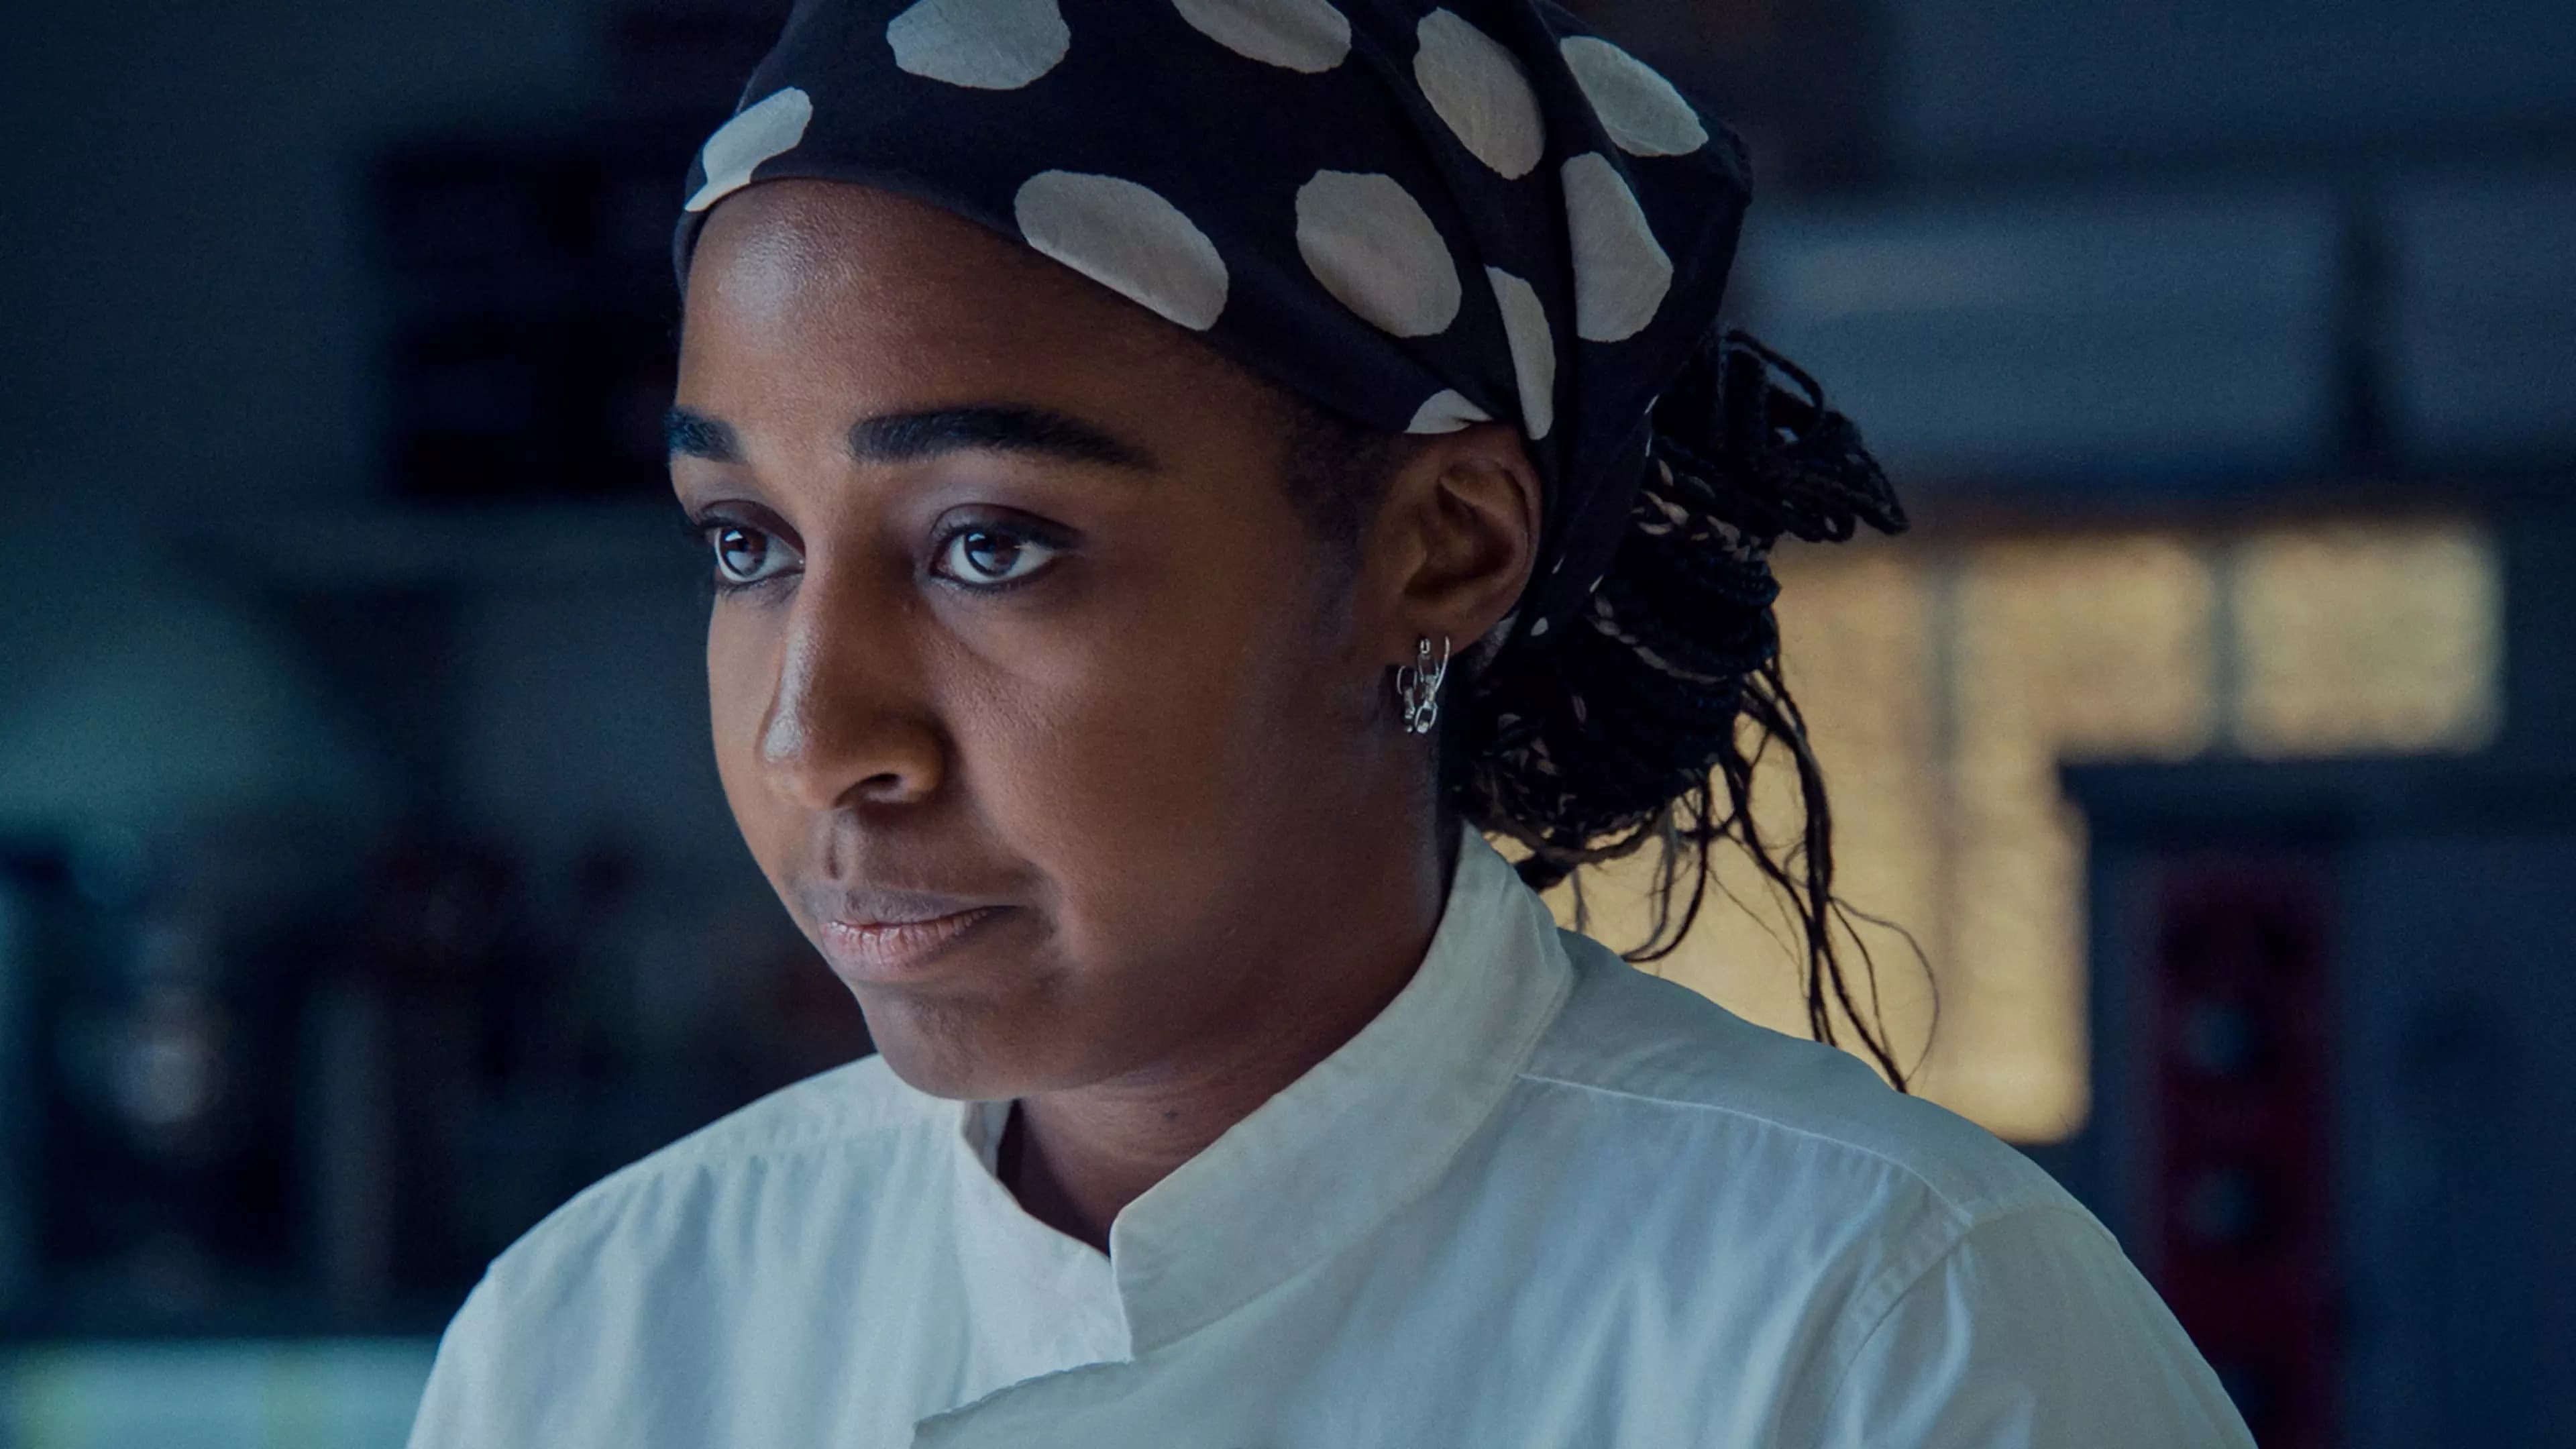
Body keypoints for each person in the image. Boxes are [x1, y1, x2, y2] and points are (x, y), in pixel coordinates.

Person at [408, 2, 2254, 1444]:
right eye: (746, 543)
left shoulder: (1881, 1332)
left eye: (990, 545)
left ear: (1440, 549)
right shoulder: (601, 1343)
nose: (816, 738)